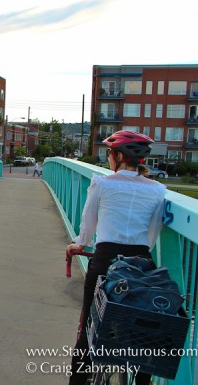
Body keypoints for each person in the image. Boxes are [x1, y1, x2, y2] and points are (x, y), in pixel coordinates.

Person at [66, 130, 166, 385]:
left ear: (119, 156)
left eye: (109, 153)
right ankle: (142, 379)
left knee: (89, 329)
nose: (108, 158)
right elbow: (152, 234)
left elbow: (88, 226)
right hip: (141, 264)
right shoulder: (157, 190)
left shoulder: (103, 183)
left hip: (107, 260)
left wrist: (79, 244)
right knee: (143, 333)